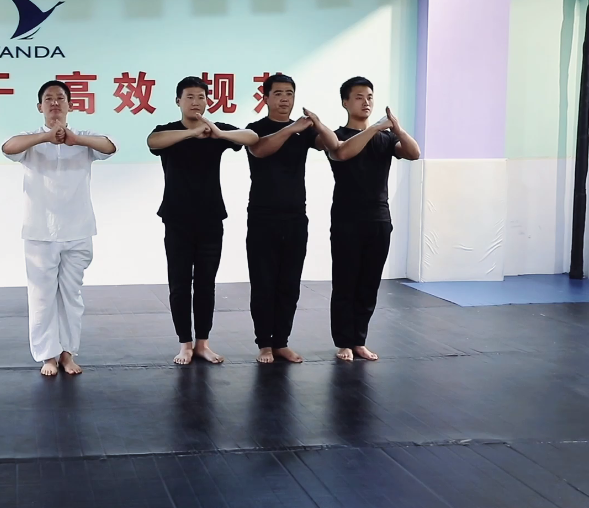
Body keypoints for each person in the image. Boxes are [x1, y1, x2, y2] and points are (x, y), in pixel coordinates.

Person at [2, 80, 117, 376]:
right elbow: (8, 148)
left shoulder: (83, 138)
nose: (55, 103)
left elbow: (110, 147)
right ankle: (47, 356)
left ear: (70, 105)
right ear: (40, 106)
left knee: (71, 296)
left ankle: (67, 353)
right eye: (49, 99)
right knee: (41, 297)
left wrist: (75, 140)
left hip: (78, 229)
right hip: (39, 231)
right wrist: (45, 137)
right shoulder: (31, 138)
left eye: (60, 98)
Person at [147, 76, 257, 365]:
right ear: (178, 101)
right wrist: (192, 132)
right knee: (180, 283)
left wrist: (218, 133)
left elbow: (251, 138)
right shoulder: (168, 131)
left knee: (206, 283)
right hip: (177, 218)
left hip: (211, 218)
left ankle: (203, 344)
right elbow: (153, 142)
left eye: (201, 97)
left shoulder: (215, 131)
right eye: (190, 97)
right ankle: (184, 344)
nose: (196, 102)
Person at [310, 76, 420, 361]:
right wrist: (373, 129)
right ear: (345, 102)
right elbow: (343, 153)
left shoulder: (385, 138)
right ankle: (344, 342)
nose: (366, 102)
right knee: (345, 282)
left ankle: (359, 340)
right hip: (347, 219)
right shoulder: (336, 135)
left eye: (370, 97)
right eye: (359, 97)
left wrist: (397, 128)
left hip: (379, 218)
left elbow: (413, 153)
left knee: (369, 283)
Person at [244, 74, 339, 364]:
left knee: (289, 283)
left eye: (289, 93)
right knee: (263, 282)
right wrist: (291, 128)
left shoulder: (305, 131)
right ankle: (264, 344)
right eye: (278, 93)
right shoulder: (255, 129)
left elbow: (333, 145)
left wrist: (317, 123)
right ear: (266, 98)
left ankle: (281, 342)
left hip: (296, 216)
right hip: (262, 216)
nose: (285, 98)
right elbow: (260, 150)